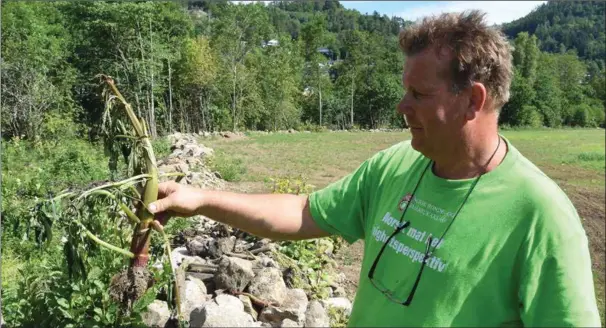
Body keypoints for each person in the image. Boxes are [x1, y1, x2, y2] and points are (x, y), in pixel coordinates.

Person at [148, 10, 601, 327]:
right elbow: (306, 213)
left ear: (473, 100)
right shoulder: (396, 164)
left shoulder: (541, 217)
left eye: (419, 95)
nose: (402, 106)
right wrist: (201, 200)